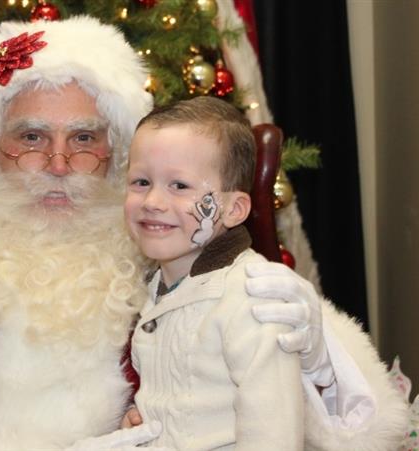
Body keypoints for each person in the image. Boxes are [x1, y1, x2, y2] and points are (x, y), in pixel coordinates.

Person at [0, 16, 406, 450]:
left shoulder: (166, 237)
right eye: (30, 138)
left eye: (85, 139)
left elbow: (333, 413)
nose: (58, 164)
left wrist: (320, 356)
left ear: (116, 155)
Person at [120, 95, 304, 450]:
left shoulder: (254, 301)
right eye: (141, 182)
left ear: (234, 209)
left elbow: (275, 435)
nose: (153, 202)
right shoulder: (155, 286)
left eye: (180, 186)